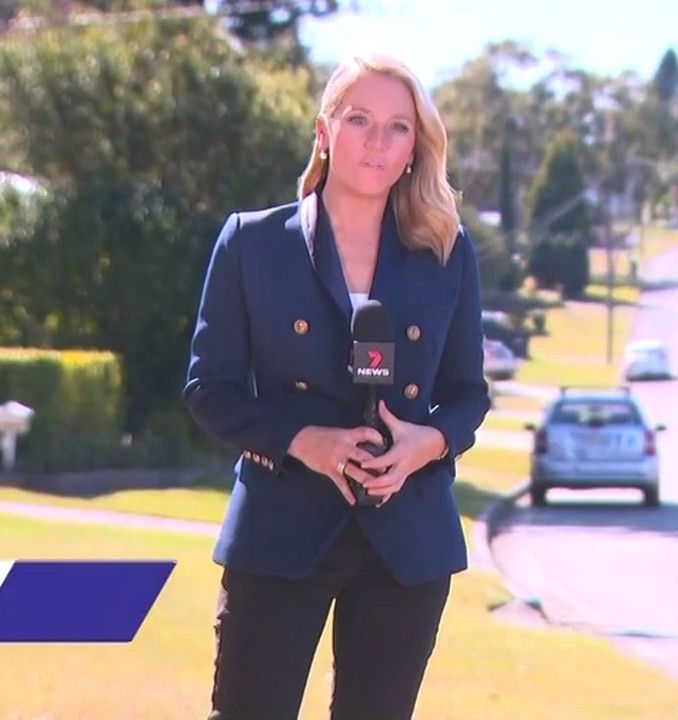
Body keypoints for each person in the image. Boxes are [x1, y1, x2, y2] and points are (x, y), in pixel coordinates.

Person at [183, 52, 489, 720]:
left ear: (415, 148)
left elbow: (469, 393)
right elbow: (210, 387)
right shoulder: (252, 243)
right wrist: (305, 441)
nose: (378, 142)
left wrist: (428, 443)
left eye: (398, 127)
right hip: (280, 528)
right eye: (359, 120)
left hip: (407, 544)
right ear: (325, 131)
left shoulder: (446, 251)